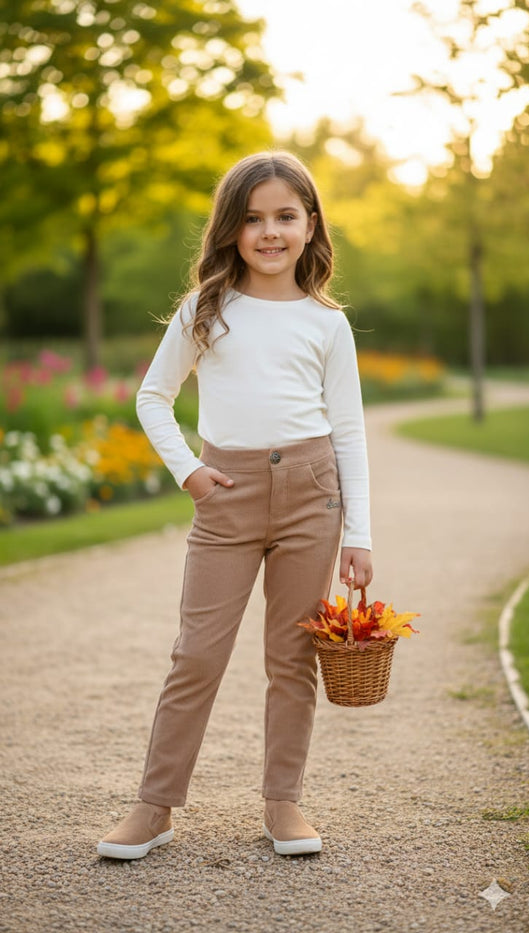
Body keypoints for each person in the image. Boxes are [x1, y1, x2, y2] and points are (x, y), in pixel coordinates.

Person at [96, 150, 373, 861]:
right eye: (252, 218)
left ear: (311, 225)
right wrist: (189, 470)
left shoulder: (325, 323)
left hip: (312, 496)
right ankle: (154, 806)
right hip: (226, 491)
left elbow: (348, 431)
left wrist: (358, 534)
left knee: (290, 656)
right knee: (196, 654)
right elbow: (152, 395)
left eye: (284, 216)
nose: (269, 231)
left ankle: (283, 801)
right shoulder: (205, 309)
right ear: (231, 229)